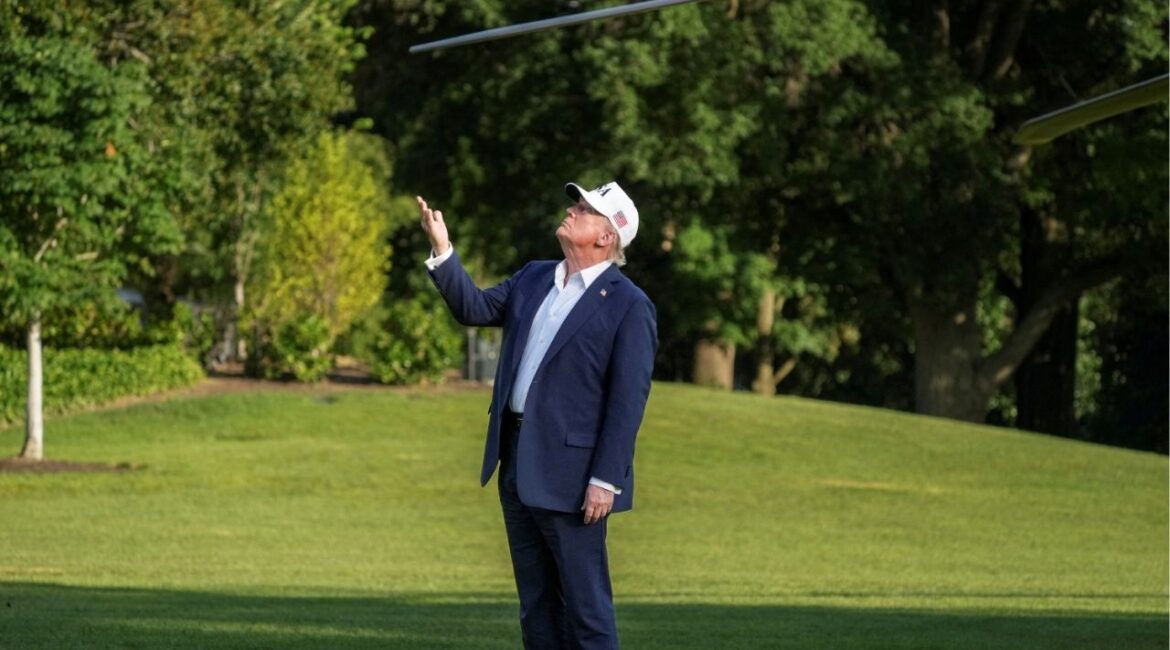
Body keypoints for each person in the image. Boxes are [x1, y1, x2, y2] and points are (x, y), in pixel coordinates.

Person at [417, 181, 657, 650]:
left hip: (576, 480)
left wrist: (606, 479)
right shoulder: (534, 276)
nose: (571, 209)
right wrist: (443, 250)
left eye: (585, 209)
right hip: (516, 463)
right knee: (536, 606)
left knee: (586, 611)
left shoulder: (630, 305)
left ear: (607, 237)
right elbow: (475, 307)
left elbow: (627, 402)